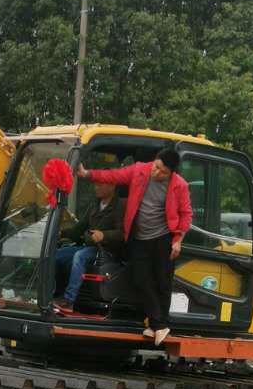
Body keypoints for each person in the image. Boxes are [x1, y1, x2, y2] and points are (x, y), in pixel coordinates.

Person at [76, 147, 192, 346]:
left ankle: (157, 325)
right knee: (140, 280)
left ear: (171, 173)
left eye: (163, 172)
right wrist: (87, 173)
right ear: (154, 161)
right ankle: (159, 325)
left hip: (164, 237)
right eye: (156, 167)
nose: (157, 173)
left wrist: (178, 240)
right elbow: (115, 175)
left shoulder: (179, 185)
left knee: (162, 282)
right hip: (139, 237)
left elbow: (186, 213)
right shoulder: (139, 170)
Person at [54, 181, 124, 310]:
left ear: (112, 186)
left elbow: (123, 233)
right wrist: (61, 233)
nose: (95, 187)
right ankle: (55, 294)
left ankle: (69, 301)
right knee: (57, 255)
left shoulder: (120, 205)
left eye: (99, 184)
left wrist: (104, 235)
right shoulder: (94, 205)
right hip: (90, 247)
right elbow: (79, 229)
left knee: (79, 256)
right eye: (95, 184)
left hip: (107, 250)